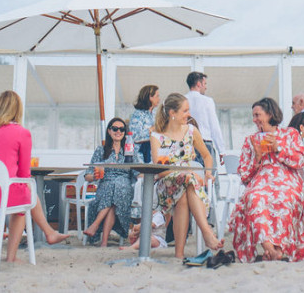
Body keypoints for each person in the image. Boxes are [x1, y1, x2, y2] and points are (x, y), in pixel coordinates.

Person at [0, 91, 70, 262]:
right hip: (2, 196)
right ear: (18, 109)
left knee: (25, 193)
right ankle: (13, 255)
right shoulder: (21, 133)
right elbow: (24, 173)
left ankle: (49, 233)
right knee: (25, 195)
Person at [229, 98, 304, 262]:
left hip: (287, 179)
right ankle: (271, 249)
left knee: (285, 199)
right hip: (261, 180)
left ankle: (277, 250)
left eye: (257, 115)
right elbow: (244, 175)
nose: (254, 120)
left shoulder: (290, 134)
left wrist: (278, 148)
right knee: (254, 198)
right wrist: (257, 158)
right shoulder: (250, 140)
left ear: (270, 114)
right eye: (253, 116)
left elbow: (301, 160)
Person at [151, 92, 224, 259]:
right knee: (189, 179)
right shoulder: (157, 136)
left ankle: (179, 254)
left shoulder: (191, 131)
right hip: (166, 184)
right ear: (172, 113)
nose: (189, 115)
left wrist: (207, 173)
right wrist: (186, 172)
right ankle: (207, 232)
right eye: (185, 111)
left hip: (187, 183)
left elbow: (207, 155)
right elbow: (159, 169)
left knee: (184, 197)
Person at [83, 117, 142, 245]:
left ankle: (95, 225)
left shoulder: (130, 150)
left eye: (122, 129)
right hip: (105, 184)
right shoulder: (101, 150)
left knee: (117, 187)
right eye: (115, 129)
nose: (118, 131)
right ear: (109, 131)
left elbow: (138, 172)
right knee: (112, 191)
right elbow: (88, 174)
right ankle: (104, 242)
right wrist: (95, 176)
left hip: (124, 185)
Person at [185, 72, 226, 166]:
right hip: (205, 144)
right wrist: (221, 150)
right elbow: (214, 126)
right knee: (209, 177)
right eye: (205, 84)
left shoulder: (182, 100)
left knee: (192, 176)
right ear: (199, 84)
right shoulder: (207, 101)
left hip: (187, 144)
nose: (206, 87)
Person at [130, 84, 159, 163]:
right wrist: (152, 130)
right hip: (140, 157)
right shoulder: (138, 114)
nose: (159, 99)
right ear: (150, 97)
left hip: (153, 154)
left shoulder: (155, 113)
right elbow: (135, 136)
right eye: (157, 96)